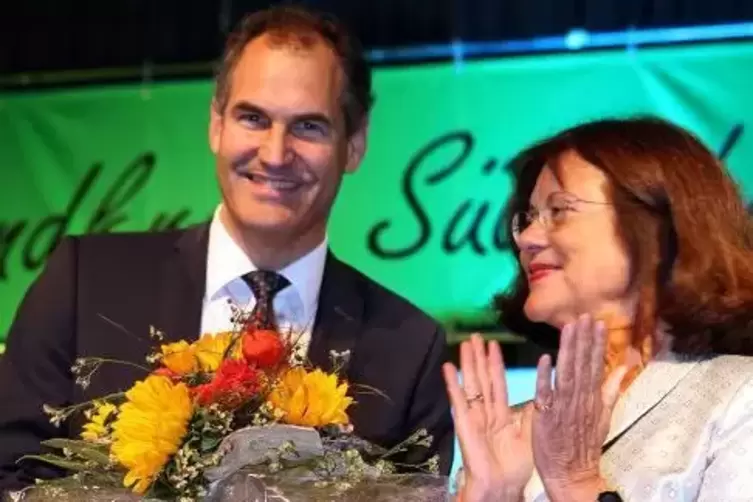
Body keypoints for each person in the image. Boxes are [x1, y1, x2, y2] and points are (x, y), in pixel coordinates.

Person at [0, 5, 454, 492]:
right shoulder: (85, 284)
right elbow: (9, 471)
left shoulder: (409, 349)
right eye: (253, 118)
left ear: (356, 143)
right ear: (216, 124)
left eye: (309, 127)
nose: (276, 154)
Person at [444, 116, 753, 501]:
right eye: (527, 217)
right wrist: (495, 494)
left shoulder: (738, 398)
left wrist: (577, 484)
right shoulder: (516, 428)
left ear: (656, 226)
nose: (527, 237)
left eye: (559, 211)